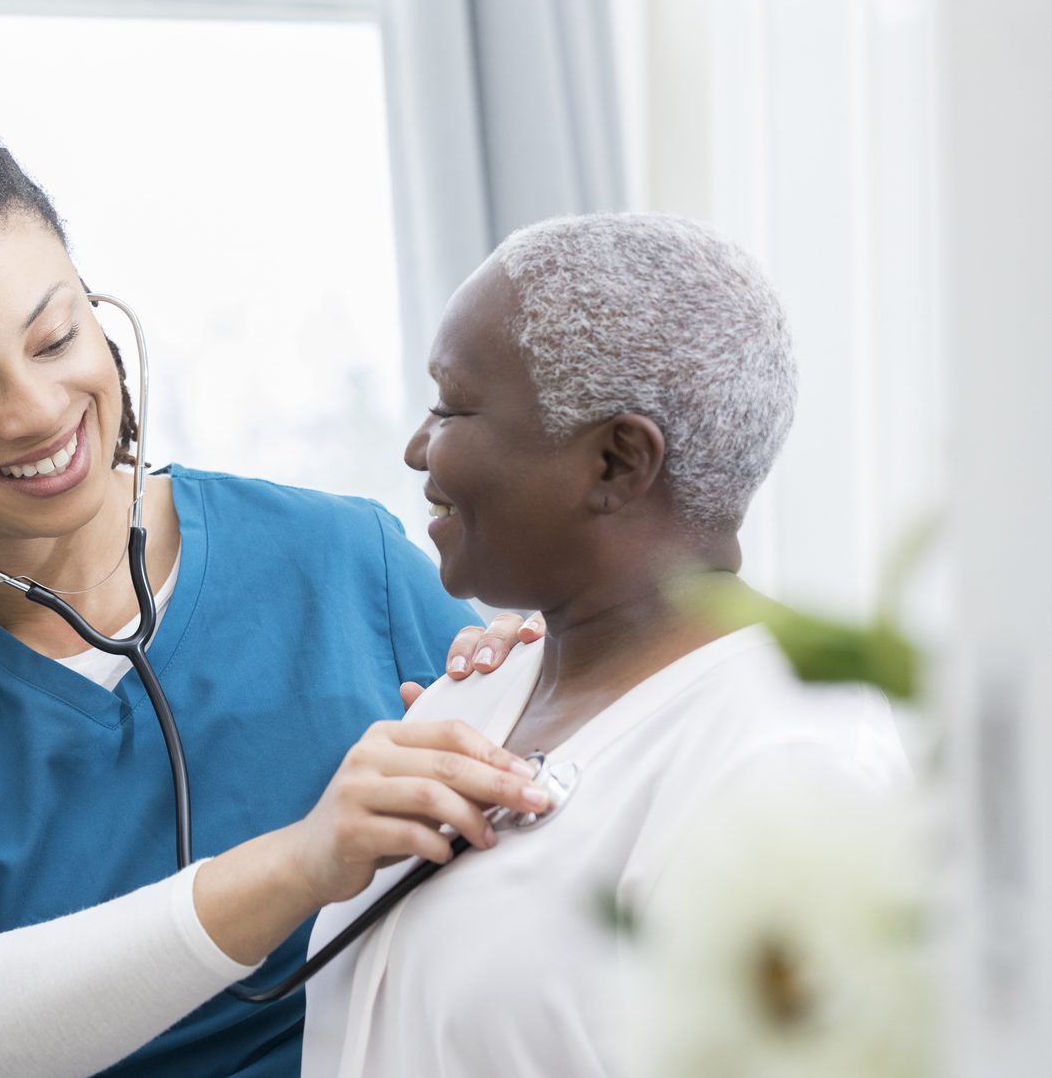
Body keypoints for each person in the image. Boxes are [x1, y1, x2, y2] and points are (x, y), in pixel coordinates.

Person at [0, 95, 547, 1078]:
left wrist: (548, 689)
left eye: (55, 336)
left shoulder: (340, 561)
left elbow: (568, 863)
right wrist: (300, 861)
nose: (36, 412)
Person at [300, 213, 911, 1077]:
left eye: (452, 405)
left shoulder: (790, 759)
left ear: (618, 462)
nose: (415, 448)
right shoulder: (476, 690)